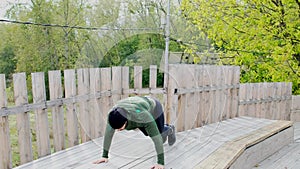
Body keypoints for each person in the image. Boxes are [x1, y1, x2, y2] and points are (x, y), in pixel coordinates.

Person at [93, 96, 176, 169]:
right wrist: (104, 155)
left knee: (159, 135)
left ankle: (170, 129)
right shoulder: (113, 115)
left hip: (154, 107)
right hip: (138, 107)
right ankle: (164, 131)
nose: (118, 130)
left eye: (120, 128)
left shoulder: (141, 116)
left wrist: (160, 163)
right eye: (116, 128)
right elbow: (108, 134)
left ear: (126, 121)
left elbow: (156, 137)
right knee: (148, 133)